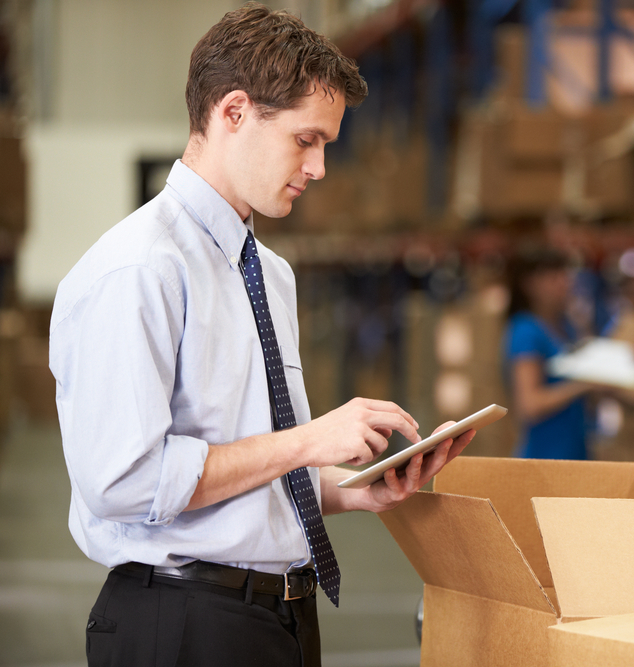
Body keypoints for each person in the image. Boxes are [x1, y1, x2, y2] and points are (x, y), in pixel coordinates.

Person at [48, 5, 474, 666]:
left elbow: (243, 459)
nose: (320, 166)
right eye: (306, 140)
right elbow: (125, 482)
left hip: (277, 618)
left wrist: (345, 488)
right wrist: (307, 440)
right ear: (233, 112)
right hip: (183, 623)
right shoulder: (138, 268)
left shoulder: (268, 273)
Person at [504, 246, 594, 460]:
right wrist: (584, 385)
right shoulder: (526, 330)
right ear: (529, 284)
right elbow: (529, 404)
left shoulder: (566, 326)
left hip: (575, 451)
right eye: (554, 276)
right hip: (545, 456)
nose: (564, 283)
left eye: (565, 275)